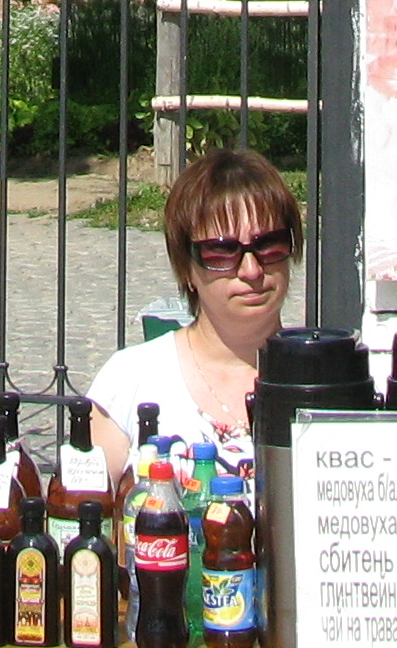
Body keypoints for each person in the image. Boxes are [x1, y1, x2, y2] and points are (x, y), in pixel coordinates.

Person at [86, 147, 300, 480]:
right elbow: (83, 517)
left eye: (268, 245)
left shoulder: (327, 385)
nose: (251, 270)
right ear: (186, 268)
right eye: (221, 251)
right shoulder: (130, 380)